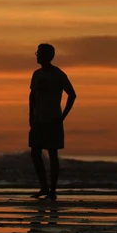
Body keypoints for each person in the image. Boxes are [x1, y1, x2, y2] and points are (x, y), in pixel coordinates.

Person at [28, 43, 76, 200]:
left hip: (53, 119)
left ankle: (53, 190)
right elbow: (32, 95)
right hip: (38, 120)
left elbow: (72, 94)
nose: (37, 55)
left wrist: (63, 116)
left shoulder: (58, 74)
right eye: (37, 53)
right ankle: (44, 187)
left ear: (47, 56)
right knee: (35, 152)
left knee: (52, 153)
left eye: (39, 53)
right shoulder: (36, 74)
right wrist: (31, 115)